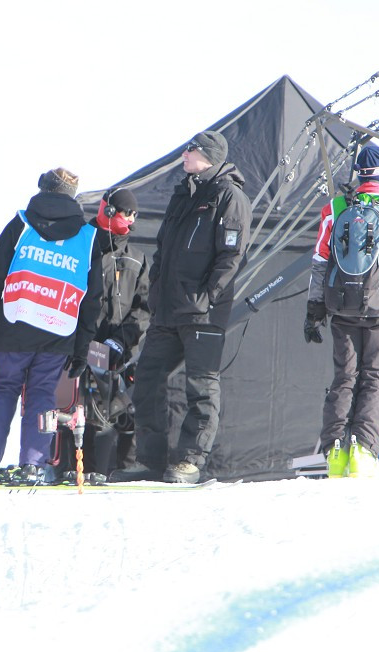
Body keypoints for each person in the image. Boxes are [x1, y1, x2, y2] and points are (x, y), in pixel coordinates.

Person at [114, 130, 251, 484]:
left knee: (201, 387)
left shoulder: (229, 196)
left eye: (190, 150)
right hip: (169, 311)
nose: (184, 155)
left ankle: (191, 461)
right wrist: (157, 293)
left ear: (207, 155)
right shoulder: (183, 193)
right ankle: (150, 460)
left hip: (202, 312)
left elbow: (232, 256)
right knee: (146, 379)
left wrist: (208, 296)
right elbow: (162, 251)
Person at [0, 168, 103, 484]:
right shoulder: (88, 236)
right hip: (60, 329)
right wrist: (81, 347)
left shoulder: (21, 225)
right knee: (43, 397)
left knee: (2, 392)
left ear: (42, 189)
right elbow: (93, 299)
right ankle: (34, 464)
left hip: (15, 324)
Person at [303, 143, 379, 479]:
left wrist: (314, 311)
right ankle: (363, 453)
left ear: (359, 177)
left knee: (344, 378)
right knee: (375, 378)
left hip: (341, 308)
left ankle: (335, 455)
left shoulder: (335, 207)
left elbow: (319, 263)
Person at [53, 187, 150, 480]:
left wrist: (120, 342)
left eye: (135, 215)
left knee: (114, 412)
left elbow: (144, 309)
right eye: (126, 213)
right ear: (108, 210)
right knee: (70, 410)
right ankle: (68, 470)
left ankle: (113, 471)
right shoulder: (80, 245)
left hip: (114, 350)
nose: (131, 220)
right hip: (73, 344)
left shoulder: (136, 258)